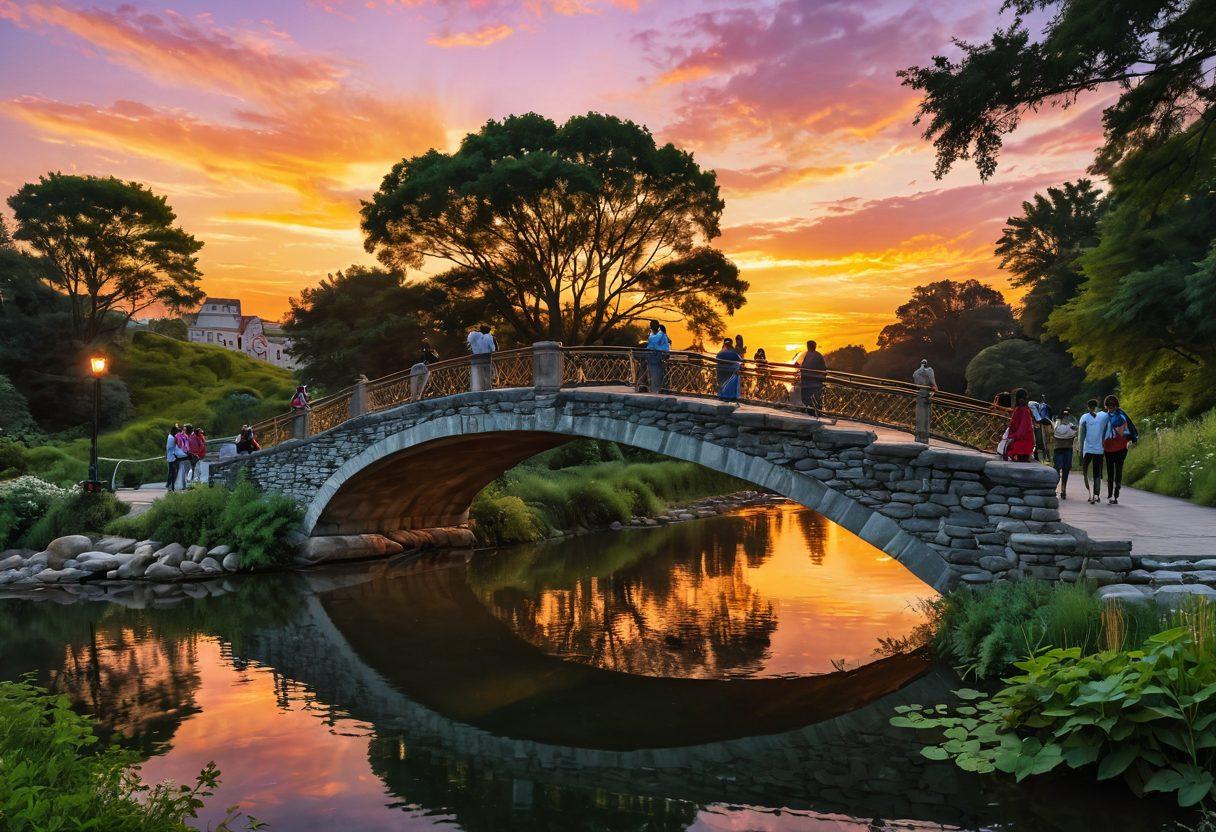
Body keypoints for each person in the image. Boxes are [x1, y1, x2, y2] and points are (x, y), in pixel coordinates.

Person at [1102, 395, 1138, 505]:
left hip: (1108, 447)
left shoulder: (1104, 417)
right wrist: (1134, 439)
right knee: (1118, 469)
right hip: (1122, 447)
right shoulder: (1122, 414)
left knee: (1110, 470)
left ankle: (1110, 493)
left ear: (1106, 406)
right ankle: (1115, 492)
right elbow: (1131, 427)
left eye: (1109, 406)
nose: (1110, 408)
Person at [1077, 398, 1110, 504]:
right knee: (1097, 473)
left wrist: (1080, 450)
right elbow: (1108, 432)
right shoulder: (1104, 416)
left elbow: (1081, 436)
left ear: (1087, 407)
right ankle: (1096, 495)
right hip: (1100, 450)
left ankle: (1090, 494)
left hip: (1087, 450)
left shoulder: (1084, 417)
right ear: (1097, 406)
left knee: (1086, 473)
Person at [1051, 407, 1078, 499]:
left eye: (1067, 414)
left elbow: (1056, 433)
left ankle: (1062, 489)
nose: (1065, 416)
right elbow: (1073, 432)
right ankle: (1057, 488)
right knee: (1058, 469)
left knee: (1064, 469)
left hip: (1061, 449)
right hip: (1064, 449)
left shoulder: (1056, 425)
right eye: (1064, 414)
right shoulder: (1067, 425)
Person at [796, 340, 827, 415]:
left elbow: (796, 364)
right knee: (815, 401)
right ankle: (815, 414)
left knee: (807, 401)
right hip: (815, 383)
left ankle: (809, 413)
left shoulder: (804, 355)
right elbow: (824, 369)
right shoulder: (818, 355)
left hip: (806, 383)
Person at [1005, 388, 1035, 462]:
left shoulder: (1023, 410)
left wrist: (1013, 436)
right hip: (1022, 441)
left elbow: (1022, 428)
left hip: (1022, 441)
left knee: (1021, 461)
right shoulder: (1022, 409)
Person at [644, 319, 671, 394]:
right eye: (650, 325)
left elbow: (654, 344)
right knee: (653, 373)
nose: (650, 326)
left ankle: (659, 389)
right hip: (653, 357)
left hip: (659, 357)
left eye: (652, 324)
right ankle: (650, 388)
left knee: (658, 374)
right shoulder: (653, 334)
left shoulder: (661, 334)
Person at [468, 325, 497, 391]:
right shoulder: (490, 337)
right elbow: (494, 349)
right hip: (486, 359)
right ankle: (488, 390)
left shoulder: (475, 337)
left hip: (475, 360)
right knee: (487, 377)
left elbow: (470, 349)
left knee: (477, 380)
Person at [165, 425, 183, 491]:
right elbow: (178, 445)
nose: (177, 432)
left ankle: (169, 485)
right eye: (176, 431)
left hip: (171, 457)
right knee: (173, 472)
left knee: (171, 472)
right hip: (173, 457)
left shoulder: (170, 436)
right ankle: (171, 485)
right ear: (174, 431)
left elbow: (167, 448)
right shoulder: (172, 438)